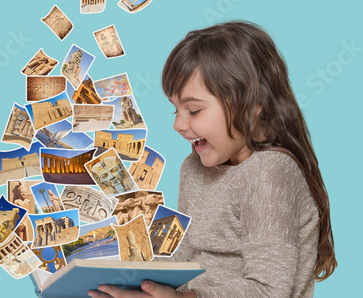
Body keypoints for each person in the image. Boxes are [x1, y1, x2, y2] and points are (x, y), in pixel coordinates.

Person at [88, 21, 337, 298]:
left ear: (253, 107)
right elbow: (181, 255)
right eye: (175, 110)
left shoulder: (269, 172)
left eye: (193, 110)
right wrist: (122, 279)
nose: (179, 125)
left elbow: (269, 290)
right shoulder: (193, 168)